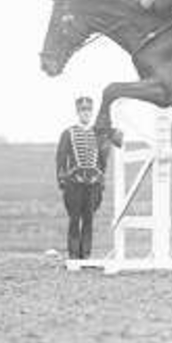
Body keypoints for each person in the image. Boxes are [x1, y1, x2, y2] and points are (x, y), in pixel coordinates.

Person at [55, 94, 108, 260]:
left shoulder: (98, 133)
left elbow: (102, 160)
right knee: (74, 218)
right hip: (74, 182)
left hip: (93, 183)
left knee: (89, 219)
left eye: (88, 110)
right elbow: (61, 157)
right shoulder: (68, 133)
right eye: (83, 110)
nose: (86, 113)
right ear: (78, 112)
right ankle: (73, 254)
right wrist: (61, 178)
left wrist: (101, 179)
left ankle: (85, 254)